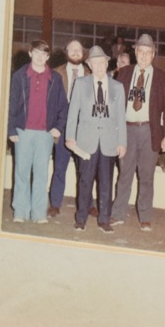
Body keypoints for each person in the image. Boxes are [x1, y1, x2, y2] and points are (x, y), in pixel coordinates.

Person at [109, 34, 165, 231]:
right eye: (141, 52)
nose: (144, 56)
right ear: (135, 52)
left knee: (146, 177)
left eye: (148, 52)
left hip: (149, 131)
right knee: (124, 175)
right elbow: (115, 104)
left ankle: (145, 216)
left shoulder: (162, 77)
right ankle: (118, 213)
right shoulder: (125, 73)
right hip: (127, 130)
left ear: (153, 54)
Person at [65, 45, 127, 232]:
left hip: (108, 142)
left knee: (106, 182)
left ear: (107, 63)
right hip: (86, 142)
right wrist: (70, 137)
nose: (99, 66)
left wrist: (122, 142)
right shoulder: (81, 84)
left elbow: (120, 117)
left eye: (102, 63)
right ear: (90, 65)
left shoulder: (117, 87)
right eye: (95, 63)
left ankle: (104, 220)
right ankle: (81, 218)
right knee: (85, 181)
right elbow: (73, 112)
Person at [7, 40, 68, 223]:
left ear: (48, 57)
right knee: (21, 172)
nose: (40, 57)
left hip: (45, 134)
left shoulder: (55, 79)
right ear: (30, 53)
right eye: (37, 53)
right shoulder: (19, 76)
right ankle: (20, 211)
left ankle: (39, 213)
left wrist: (58, 127)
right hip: (23, 131)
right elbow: (11, 104)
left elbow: (63, 107)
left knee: (41, 174)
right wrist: (11, 128)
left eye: (44, 54)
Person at [50, 39, 90, 218]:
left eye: (78, 50)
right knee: (60, 167)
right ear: (66, 52)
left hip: (83, 129)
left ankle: (89, 204)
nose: (75, 52)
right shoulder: (55, 73)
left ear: (83, 54)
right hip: (63, 127)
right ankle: (55, 204)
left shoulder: (91, 74)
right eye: (72, 49)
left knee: (86, 170)